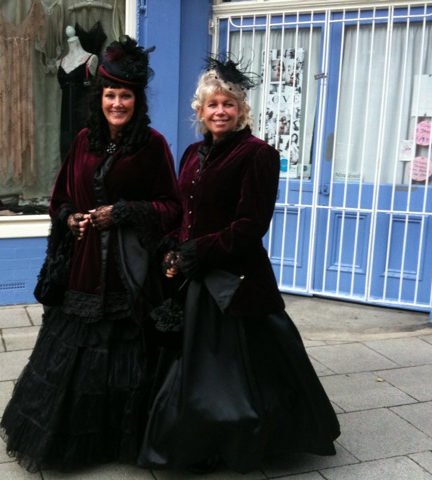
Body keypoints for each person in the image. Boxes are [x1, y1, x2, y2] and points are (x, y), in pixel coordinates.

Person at [138, 57, 340, 474]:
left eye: (229, 104)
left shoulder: (258, 154)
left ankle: (249, 443)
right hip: (196, 280)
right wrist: (174, 252)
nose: (220, 111)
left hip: (239, 281)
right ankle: (198, 442)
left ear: (242, 109)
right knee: (192, 372)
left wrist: (197, 252)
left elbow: (251, 225)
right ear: (200, 110)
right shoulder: (192, 154)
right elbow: (184, 214)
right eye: (212, 104)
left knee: (241, 373)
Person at [0, 36, 181, 473]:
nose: (117, 103)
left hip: (130, 274)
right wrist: (70, 220)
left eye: (126, 95)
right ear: (99, 96)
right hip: (83, 270)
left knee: (128, 356)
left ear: (137, 100)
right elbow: (58, 199)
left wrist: (123, 212)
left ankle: (125, 442)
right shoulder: (83, 140)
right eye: (110, 94)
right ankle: (80, 444)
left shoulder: (152, 146)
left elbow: (172, 206)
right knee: (77, 358)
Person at [57, 25, 99, 161]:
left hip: (83, 118)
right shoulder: (60, 62)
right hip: (65, 120)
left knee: (83, 156)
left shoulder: (91, 59)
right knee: (66, 155)